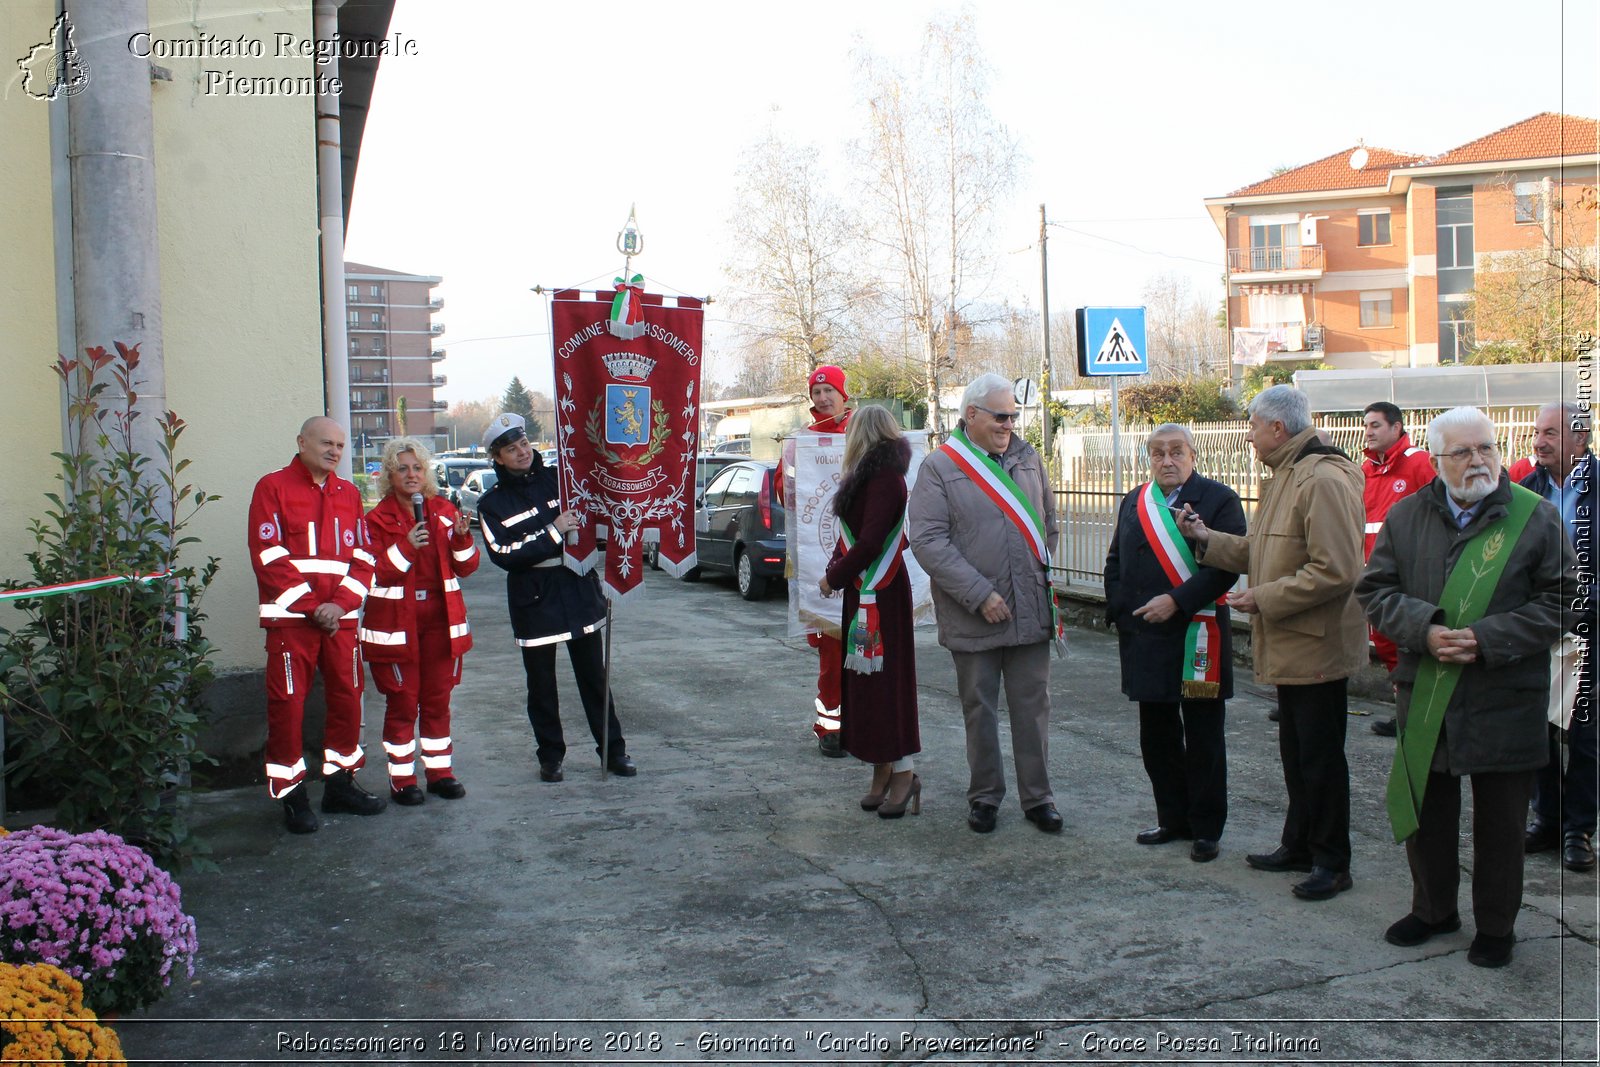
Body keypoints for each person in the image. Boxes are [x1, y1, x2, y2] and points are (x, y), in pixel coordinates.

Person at [1358, 406, 1572, 967]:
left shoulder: (1536, 517)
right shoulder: (1405, 518)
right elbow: (1375, 591)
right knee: (1427, 815)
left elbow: (1564, 601)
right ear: (1436, 462)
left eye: (1487, 448)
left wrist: (1485, 637)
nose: (1479, 461)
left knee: (1501, 825)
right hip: (1427, 691)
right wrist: (1424, 628)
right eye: (1463, 452)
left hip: (1506, 694)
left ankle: (1496, 927)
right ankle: (1433, 910)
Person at [1178, 384, 1366, 900]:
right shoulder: (1289, 473)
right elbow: (1267, 552)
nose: (1250, 438)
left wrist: (1264, 597)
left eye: (1254, 428)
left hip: (1317, 644)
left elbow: (1338, 570)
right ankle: (1301, 844)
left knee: (1320, 759)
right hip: (1293, 642)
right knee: (1297, 753)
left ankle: (1332, 860)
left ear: (1278, 429)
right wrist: (1206, 539)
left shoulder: (1322, 478)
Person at [908, 373, 1063, 835]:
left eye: (1014, 416)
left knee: (1033, 709)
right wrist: (980, 594)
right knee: (980, 710)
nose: (1009, 425)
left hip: (1028, 610)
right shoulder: (939, 467)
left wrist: (1036, 581)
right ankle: (985, 798)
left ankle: (1039, 798)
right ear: (971, 414)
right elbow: (928, 540)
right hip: (974, 614)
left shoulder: (1029, 457)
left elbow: (1048, 524)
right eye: (1001, 416)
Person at [1104, 424, 1245, 862]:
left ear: (1193, 455)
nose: (1167, 461)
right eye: (1158, 453)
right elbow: (1115, 562)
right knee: (1157, 735)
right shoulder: (1135, 500)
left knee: (1204, 735)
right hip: (1146, 635)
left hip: (1197, 632)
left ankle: (1206, 829)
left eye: (1176, 452)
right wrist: (1123, 609)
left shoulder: (1220, 499)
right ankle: (1172, 818)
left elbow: (1226, 567)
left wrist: (1176, 602)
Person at [476, 413, 637, 781]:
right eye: (510, 449)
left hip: (576, 586)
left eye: (522, 444)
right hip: (533, 598)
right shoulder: (491, 504)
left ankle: (613, 751)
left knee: (595, 679)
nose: (521, 453)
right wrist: (553, 531)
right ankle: (551, 757)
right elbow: (504, 554)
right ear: (497, 458)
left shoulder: (561, 480)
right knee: (542, 687)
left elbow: (595, 505)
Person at [247, 416, 386, 833]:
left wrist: (339, 605)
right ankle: (292, 796)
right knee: (287, 708)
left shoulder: (348, 493)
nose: (334, 451)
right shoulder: (272, 487)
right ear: (301, 441)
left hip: (338, 622)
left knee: (347, 699)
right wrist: (312, 607)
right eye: (326, 443)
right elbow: (267, 555)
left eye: (340, 446)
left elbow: (364, 557)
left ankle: (340, 786)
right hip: (291, 622)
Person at [362, 437, 479, 805]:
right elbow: (377, 574)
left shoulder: (443, 510)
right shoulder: (376, 519)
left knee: (437, 702)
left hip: (441, 626)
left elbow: (468, 567)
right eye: (402, 468)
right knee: (401, 704)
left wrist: (461, 539)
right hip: (398, 628)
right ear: (388, 475)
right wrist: (407, 545)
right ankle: (402, 780)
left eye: (417, 468)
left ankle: (440, 774)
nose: (411, 474)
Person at [819, 406, 920, 818]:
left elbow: (872, 542)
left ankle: (905, 773)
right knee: (868, 684)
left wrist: (834, 578)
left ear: (862, 434)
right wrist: (836, 568)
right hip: (864, 592)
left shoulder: (885, 479)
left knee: (889, 685)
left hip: (882, 594)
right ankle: (881, 767)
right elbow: (852, 538)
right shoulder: (867, 476)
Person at [1521, 400, 1598, 872]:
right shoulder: (1526, 490)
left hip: (1589, 628)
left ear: (1580, 438)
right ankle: (1546, 818)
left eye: (1550, 432)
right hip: (1538, 627)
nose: (1538, 441)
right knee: (1539, 729)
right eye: (1536, 432)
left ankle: (1578, 829)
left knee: (1587, 734)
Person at [781, 365, 855, 756]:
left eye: (830, 390)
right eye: (817, 391)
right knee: (832, 657)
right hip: (823, 560)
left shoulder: (865, 432)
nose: (823, 398)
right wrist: (789, 470)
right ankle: (829, 728)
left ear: (844, 394)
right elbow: (786, 493)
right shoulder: (801, 441)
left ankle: (867, 725)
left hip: (865, 560)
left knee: (870, 649)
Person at [1360, 402, 1436, 737]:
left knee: (1408, 641)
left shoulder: (1419, 462)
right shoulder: (1365, 469)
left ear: (1397, 427)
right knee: (1386, 642)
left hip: (1411, 572)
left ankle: (1421, 713)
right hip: (1377, 574)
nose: (1368, 432)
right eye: (1366, 426)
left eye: (1376, 425)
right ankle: (1402, 708)